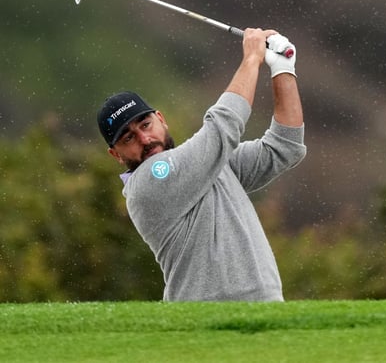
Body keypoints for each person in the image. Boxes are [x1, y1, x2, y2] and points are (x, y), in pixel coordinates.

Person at [96, 28, 306, 301]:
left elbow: (283, 148)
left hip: (266, 309)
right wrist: (252, 59)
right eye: (128, 138)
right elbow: (222, 127)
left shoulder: (209, 163)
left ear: (161, 119)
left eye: (146, 125)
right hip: (205, 321)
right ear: (115, 154)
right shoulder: (147, 184)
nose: (144, 139)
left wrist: (282, 69)